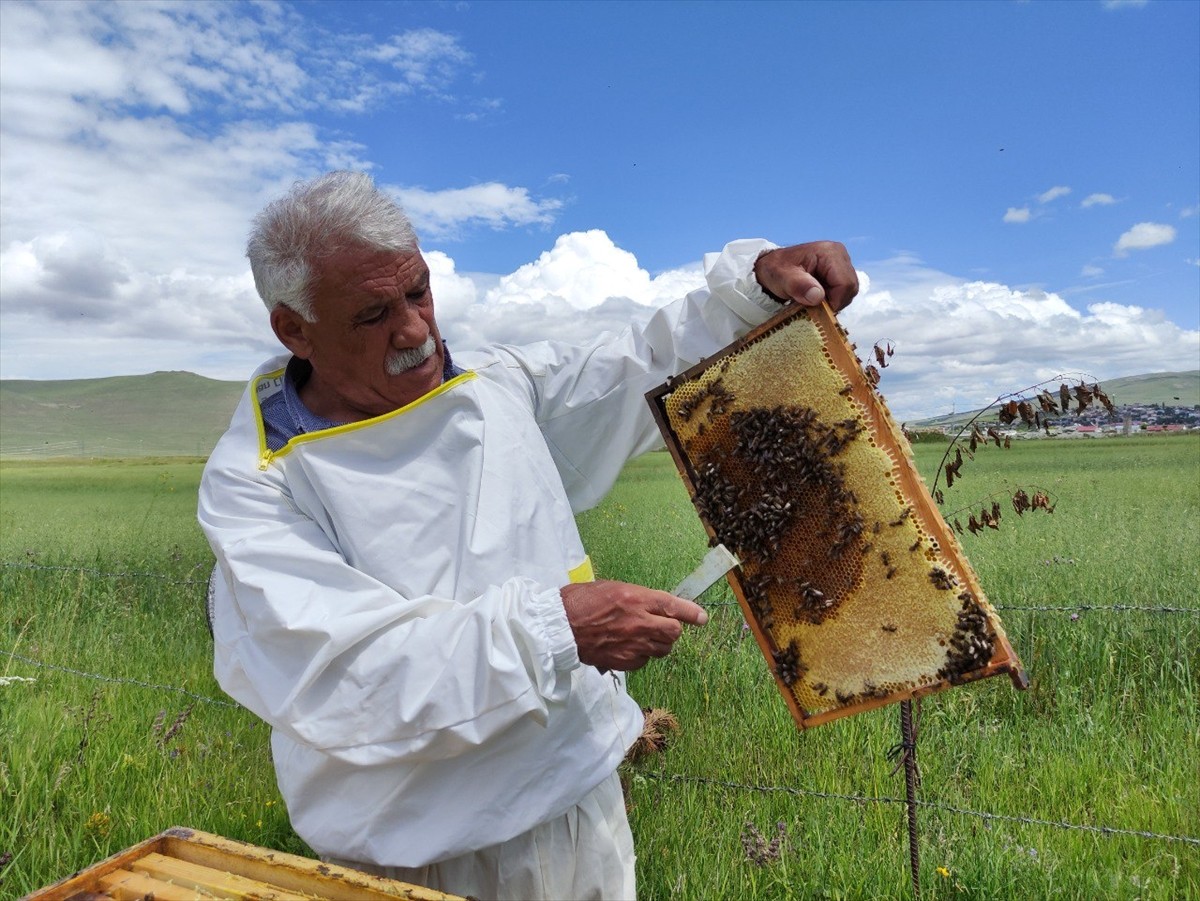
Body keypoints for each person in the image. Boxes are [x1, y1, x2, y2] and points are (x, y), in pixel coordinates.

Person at [199, 170, 857, 900]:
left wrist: (753, 293)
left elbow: (631, 369)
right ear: (295, 329)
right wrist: (557, 630)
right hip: (415, 860)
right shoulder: (255, 486)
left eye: (418, 292)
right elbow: (346, 676)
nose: (414, 331)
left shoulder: (493, 381)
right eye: (372, 314)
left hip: (581, 809)